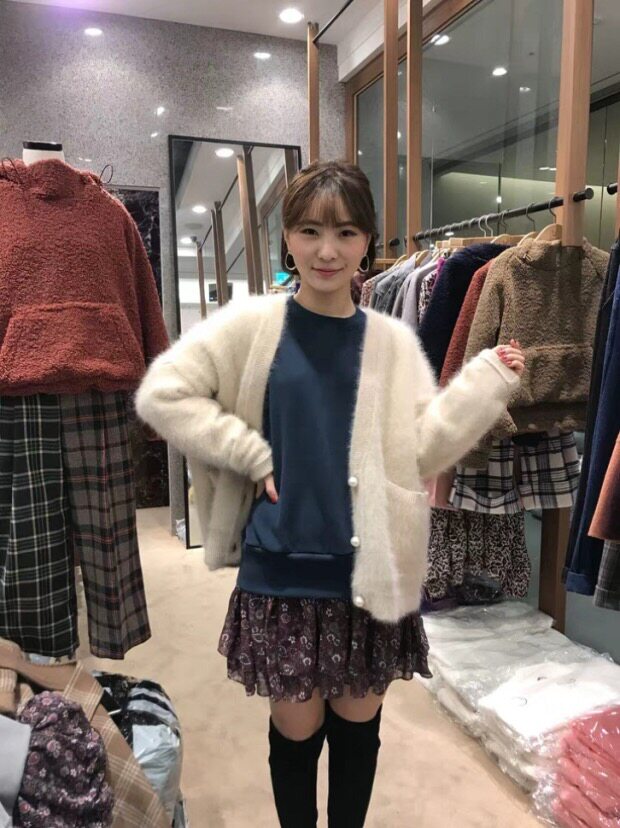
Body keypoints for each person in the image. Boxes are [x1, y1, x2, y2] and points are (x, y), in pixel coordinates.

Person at [136, 160, 525, 827]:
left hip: (370, 573)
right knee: (295, 736)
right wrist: (246, 450)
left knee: (357, 735)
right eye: (310, 230)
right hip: (282, 571)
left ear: (366, 241)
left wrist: (485, 384)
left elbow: (422, 450)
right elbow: (162, 395)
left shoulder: (391, 342)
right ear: (287, 237)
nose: (327, 250)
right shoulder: (250, 327)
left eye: (345, 232)